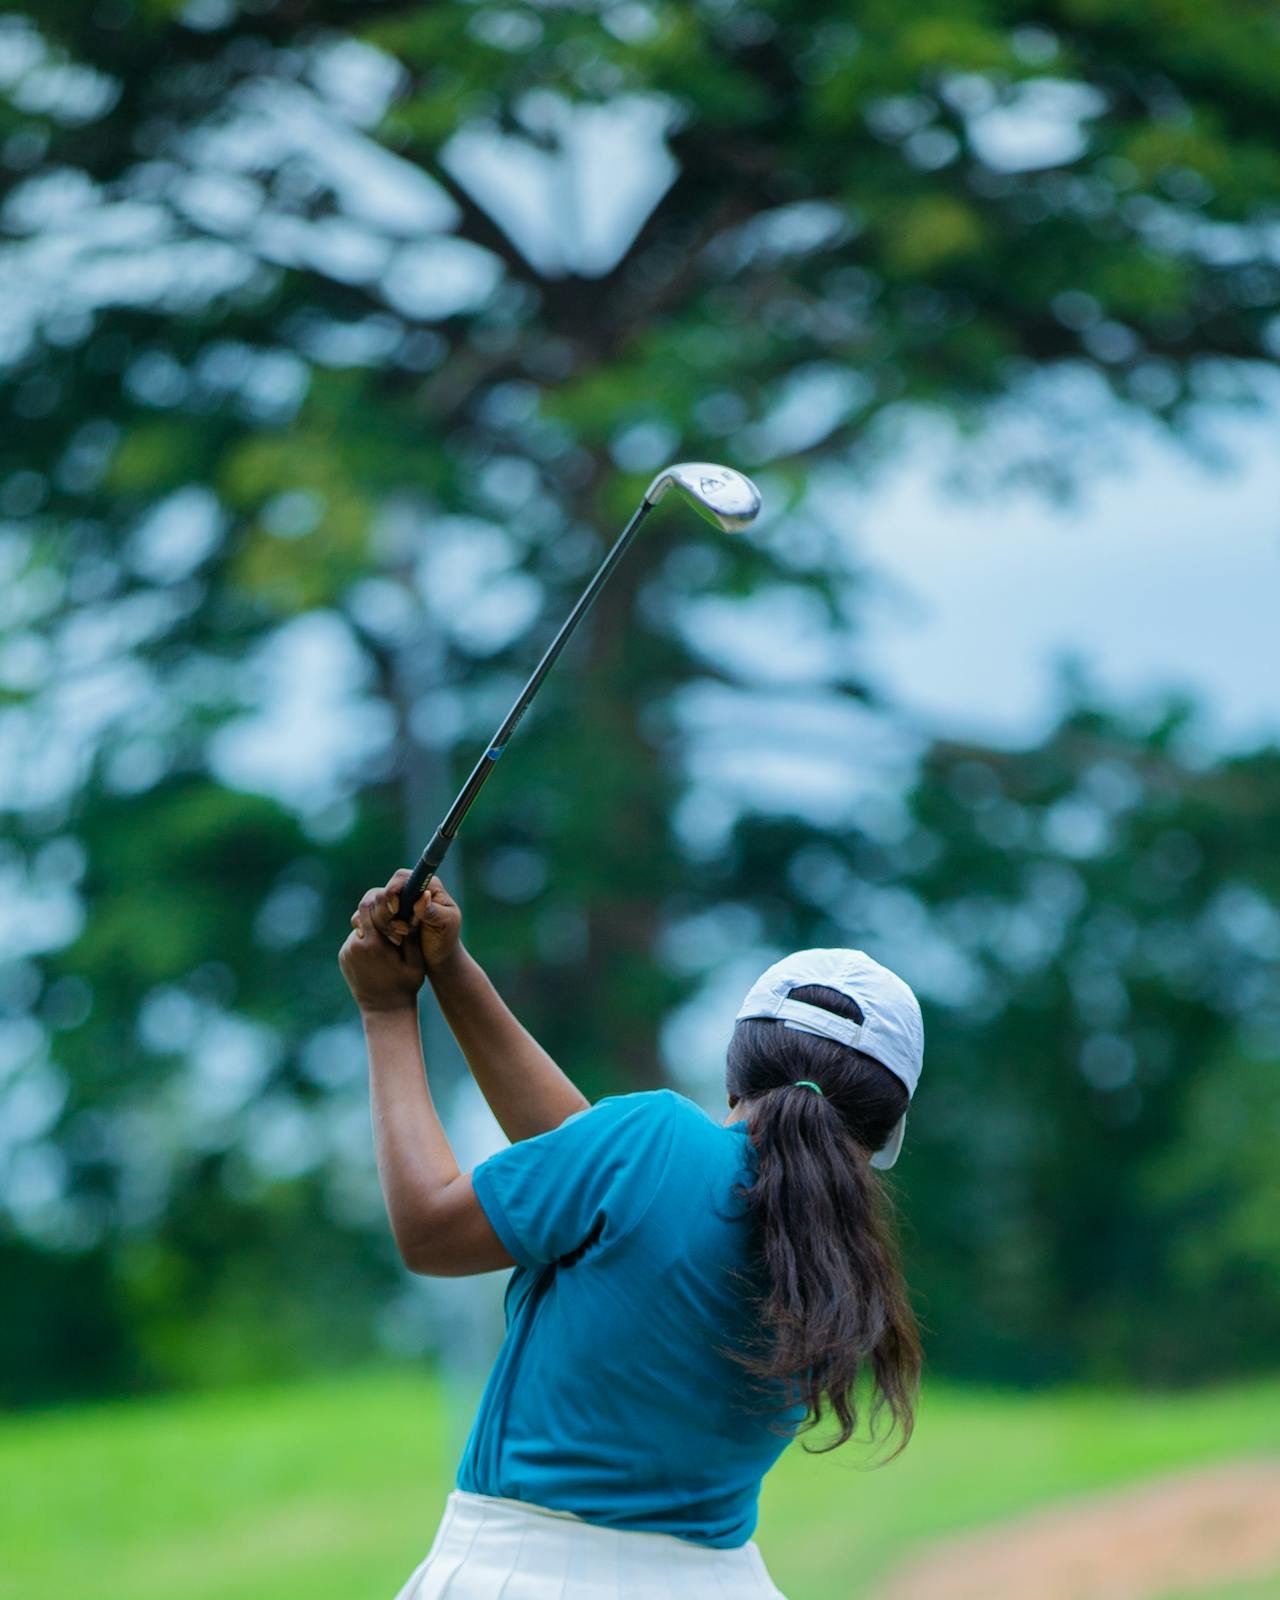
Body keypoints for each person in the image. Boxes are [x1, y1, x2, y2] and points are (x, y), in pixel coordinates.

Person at [339, 867, 925, 1599]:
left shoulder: (653, 1143)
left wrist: (387, 1010)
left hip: (521, 1575)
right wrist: (452, 971)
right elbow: (587, 1170)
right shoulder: (838, 1255)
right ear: (885, 1132)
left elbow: (430, 1229)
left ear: (734, 1069)